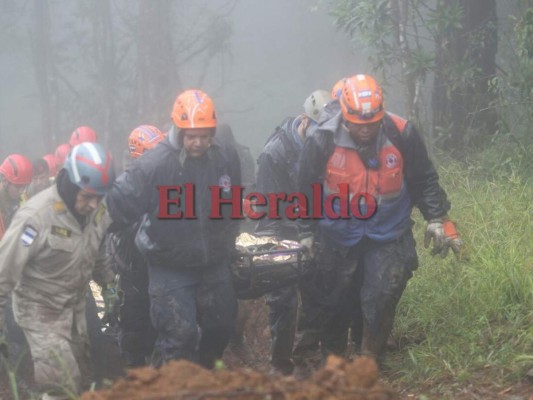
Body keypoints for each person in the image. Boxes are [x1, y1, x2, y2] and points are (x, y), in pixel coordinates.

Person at [295, 74, 463, 366]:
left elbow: (423, 178)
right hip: (337, 232)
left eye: (371, 124)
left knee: (383, 291)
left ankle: (370, 357)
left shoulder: (402, 133)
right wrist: (305, 232)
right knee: (334, 299)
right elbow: (305, 187)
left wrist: (436, 218)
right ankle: (333, 359)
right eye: (359, 125)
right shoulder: (321, 139)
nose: (365, 130)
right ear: (345, 115)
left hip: (389, 230)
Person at [106, 89, 241, 369]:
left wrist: (229, 236)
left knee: (221, 327)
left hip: (213, 259)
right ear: (178, 131)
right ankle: (172, 387)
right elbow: (118, 203)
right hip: (169, 263)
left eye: (205, 136)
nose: (199, 143)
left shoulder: (223, 156)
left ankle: (202, 379)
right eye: (192, 137)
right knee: (180, 335)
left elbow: (233, 197)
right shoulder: (155, 164)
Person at [0, 142, 118, 400]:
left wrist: (109, 287)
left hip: (75, 304)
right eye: (87, 196)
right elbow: (4, 270)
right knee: (62, 382)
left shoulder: (97, 209)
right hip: (39, 308)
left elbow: (97, 252)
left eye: (99, 197)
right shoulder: (35, 218)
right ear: (72, 185)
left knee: (84, 372)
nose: (92, 204)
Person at [254, 89, 332, 375]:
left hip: (317, 226)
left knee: (321, 291)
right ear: (304, 121)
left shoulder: (331, 147)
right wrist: (276, 251)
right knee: (283, 298)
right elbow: (266, 210)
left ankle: (308, 351)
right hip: (280, 228)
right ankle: (280, 362)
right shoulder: (275, 153)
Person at [109, 125, 164, 367]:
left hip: (157, 267)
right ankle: (132, 374)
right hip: (130, 268)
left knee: (159, 325)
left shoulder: (164, 180)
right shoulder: (125, 187)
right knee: (132, 326)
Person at [0, 154, 33, 240]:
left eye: (24, 186)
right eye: (18, 186)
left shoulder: (23, 198)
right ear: (5, 181)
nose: (21, 191)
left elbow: (31, 227)